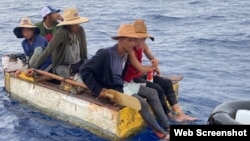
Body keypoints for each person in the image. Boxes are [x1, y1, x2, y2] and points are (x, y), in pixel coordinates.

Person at [79, 24, 170, 140]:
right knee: (141, 102)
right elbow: (84, 70)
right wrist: (97, 90)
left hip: (123, 86)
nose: (133, 43)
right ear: (121, 40)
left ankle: (167, 127)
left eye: (134, 40)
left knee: (152, 92)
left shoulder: (126, 54)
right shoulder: (106, 54)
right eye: (130, 40)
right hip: (114, 89)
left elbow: (128, 73)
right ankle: (161, 134)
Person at [123, 19, 198, 122]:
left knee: (166, 83)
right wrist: (152, 67)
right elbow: (138, 67)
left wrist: (155, 64)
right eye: (139, 38)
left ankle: (179, 113)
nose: (142, 41)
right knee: (157, 88)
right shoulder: (129, 50)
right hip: (130, 81)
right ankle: (168, 116)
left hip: (140, 76)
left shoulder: (143, 46)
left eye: (144, 39)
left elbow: (150, 56)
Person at [30, 7, 89, 78]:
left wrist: (86, 62)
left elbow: (83, 47)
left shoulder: (80, 30)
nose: (78, 26)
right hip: (64, 65)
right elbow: (49, 50)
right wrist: (34, 67)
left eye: (78, 23)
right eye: (75, 24)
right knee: (64, 72)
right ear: (69, 24)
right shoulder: (61, 32)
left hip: (78, 62)